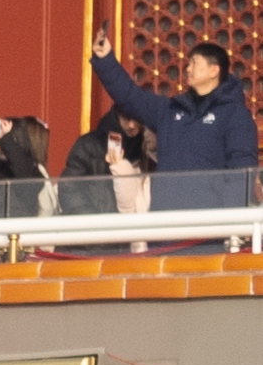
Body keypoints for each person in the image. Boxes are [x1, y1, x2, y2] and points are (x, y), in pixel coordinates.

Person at [88, 24, 256, 220]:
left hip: (211, 231)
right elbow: (130, 96)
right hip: (165, 226)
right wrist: (105, 58)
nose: (187, 69)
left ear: (214, 70)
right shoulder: (170, 110)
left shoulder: (234, 115)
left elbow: (242, 172)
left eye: (194, 63)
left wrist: (232, 224)